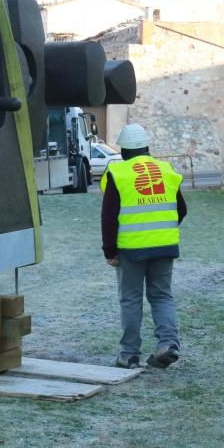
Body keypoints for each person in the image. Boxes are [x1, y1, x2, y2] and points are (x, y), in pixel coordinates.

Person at [101, 123, 186, 369]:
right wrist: (162, 230)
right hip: (165, 246)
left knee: (130, 299)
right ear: (147, 148)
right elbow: (181, 209)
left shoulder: (118, 173)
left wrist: (110, 251)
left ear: (124, 150)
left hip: (131, 250)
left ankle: (129, 355)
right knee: (161, 296)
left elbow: (109, 217)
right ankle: (168, 344)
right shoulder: (166, 169)